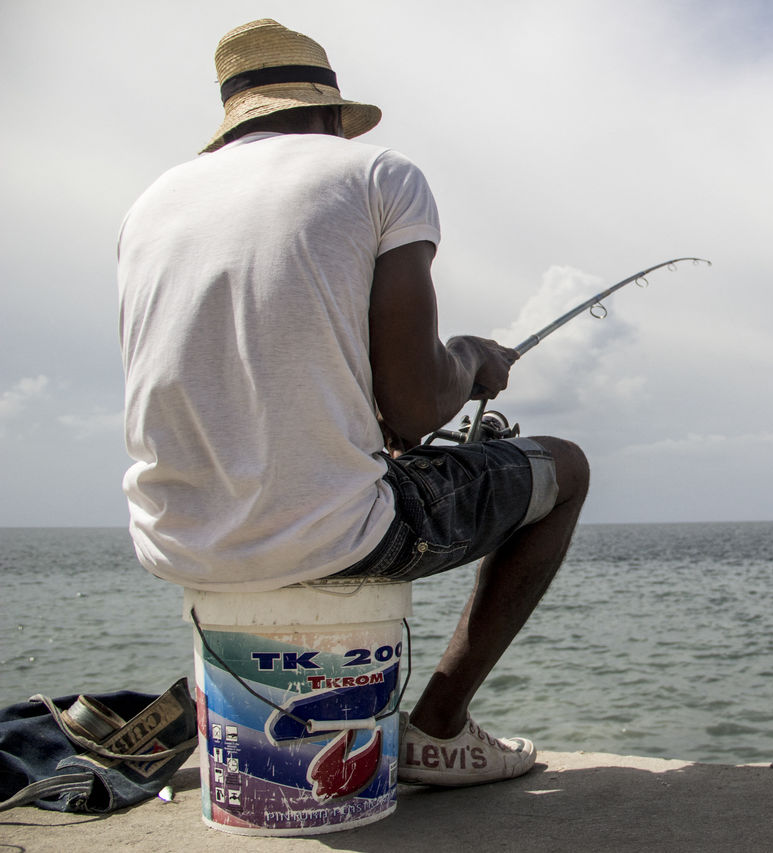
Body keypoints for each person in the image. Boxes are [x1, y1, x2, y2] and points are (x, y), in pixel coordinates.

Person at [116, 19, 589, 787]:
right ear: (334, 116)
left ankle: (240, 730)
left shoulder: (151, 205)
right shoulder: (378, 175)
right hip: (337, 535)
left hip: (179, 542)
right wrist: (473, 359)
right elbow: (412, 405)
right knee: (565, 468)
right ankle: (438, 729)